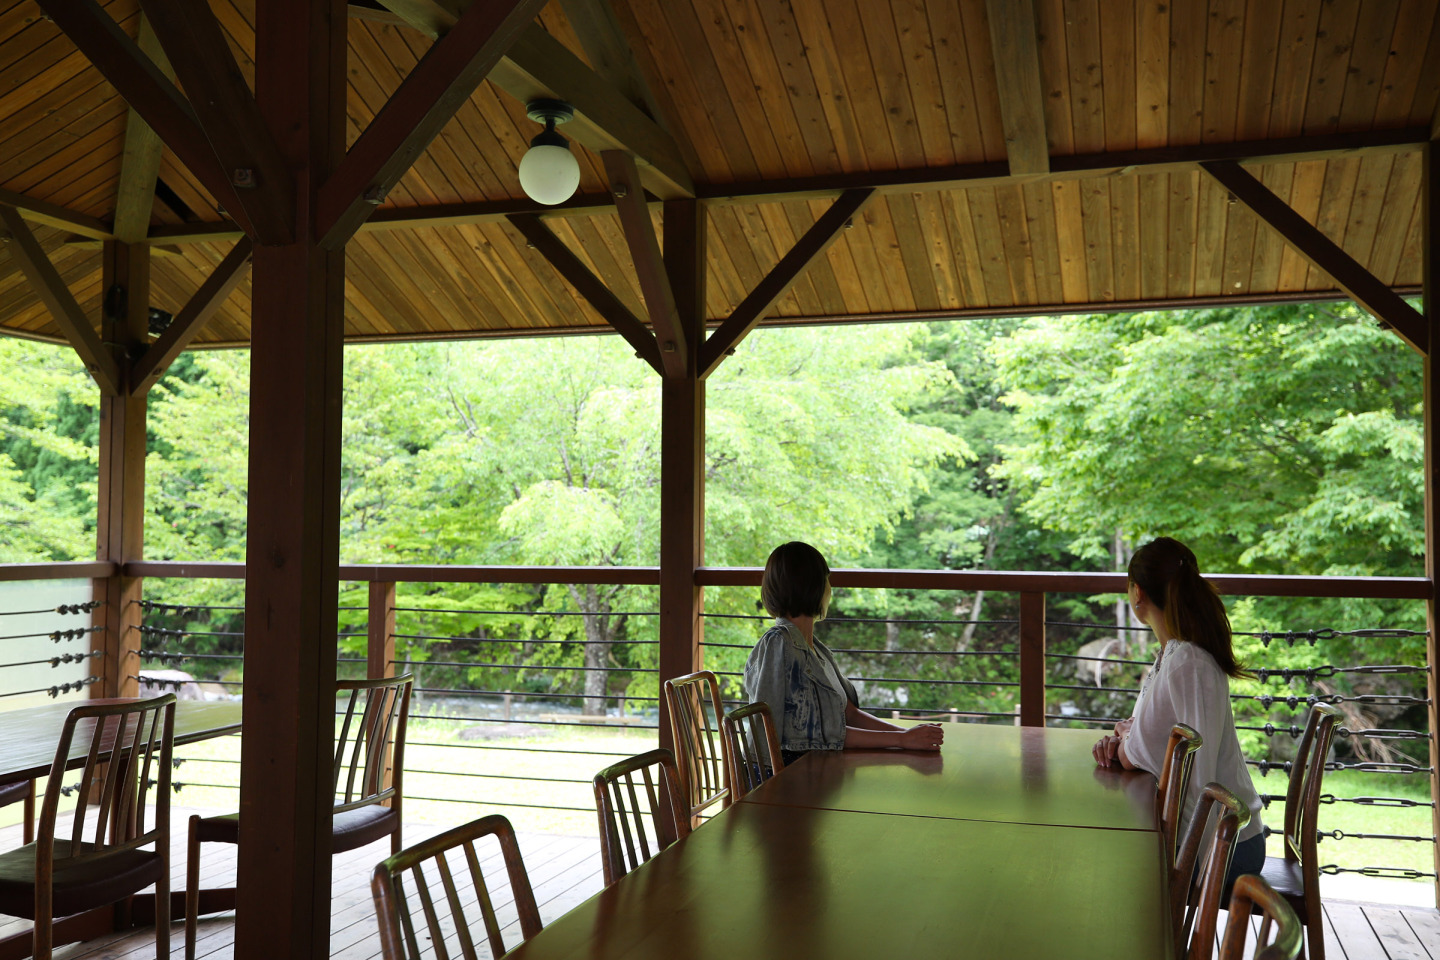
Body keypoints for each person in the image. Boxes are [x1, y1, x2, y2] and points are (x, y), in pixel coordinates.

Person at [1092, 536, 1264, 900]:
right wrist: (1127, 739)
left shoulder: (1188, 662)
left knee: (1107, 872)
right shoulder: (1173, 655)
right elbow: (1148, 738)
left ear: (1137, 593)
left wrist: (1126, 744)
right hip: (1216, 835)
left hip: (1225, 845)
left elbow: (1147, 750)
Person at [744, 541, 944, 765]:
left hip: (818, 767)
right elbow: (824, 735)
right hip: (789, 775)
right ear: (814, 586)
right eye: (827, 580)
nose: (830, 589)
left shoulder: (816, 649)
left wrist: (909, 734)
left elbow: (850, 715)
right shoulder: (778, 643)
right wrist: (902, 739)